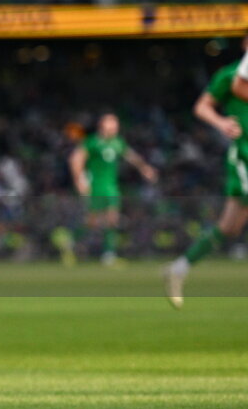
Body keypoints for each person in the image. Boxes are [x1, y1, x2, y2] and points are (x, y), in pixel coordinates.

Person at [165, 34, 248, 308]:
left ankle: (180, 267)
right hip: (245, 155)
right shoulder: (230, 76)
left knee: (230, 227)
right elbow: (201, 106)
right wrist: (222, 123)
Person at [68, 113, 157, 265]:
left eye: (116, 125)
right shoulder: (92, 142)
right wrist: (79, 181)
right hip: (95, 186)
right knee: (92, 222)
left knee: (112, 219)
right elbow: (75, 159)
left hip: (111, 187)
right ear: (103, 125)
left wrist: (144, 168)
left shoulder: (117, 142)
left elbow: (131, 156)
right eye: (112, 124)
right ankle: (71, 243)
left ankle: (108, 254)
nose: (115, 128)